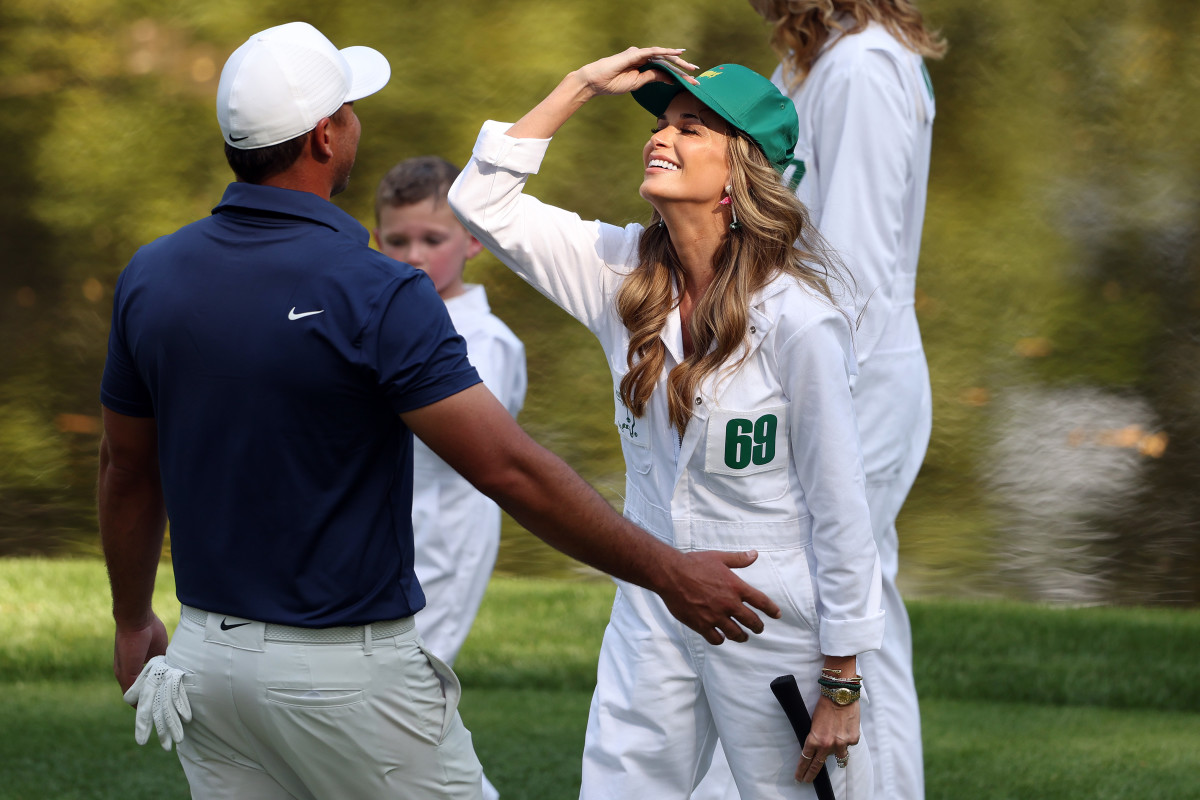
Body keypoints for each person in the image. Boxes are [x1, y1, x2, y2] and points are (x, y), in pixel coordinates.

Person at [98, 23, 781, 800]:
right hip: (346, 679)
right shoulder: (379, 292)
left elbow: (125, 466)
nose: (357, 123)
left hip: (203, 663)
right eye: (350, 111)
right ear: (326, 136)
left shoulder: (150, 277)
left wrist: (129, 619)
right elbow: (509, 470)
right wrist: (668, 573)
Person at [449, 47, 884, 800]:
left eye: (692, 130)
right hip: (652, 603)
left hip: (768, 614)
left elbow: (841, 506)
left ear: (739, 176)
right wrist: (581, 83)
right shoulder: (617, 271)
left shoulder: (801, 323)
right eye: (662, 124)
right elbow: (481, 204)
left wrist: (842, 681)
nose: (661, 138)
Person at [718, 4, 946, 800]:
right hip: (834, 364)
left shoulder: (861, 68)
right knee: (864, 612)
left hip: (858, 374)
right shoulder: (819, 61)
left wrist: (796, 379)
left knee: (830, 609)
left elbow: (851, 256)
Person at [374, 155, 527, 800]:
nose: (414, 257)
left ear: (471, 241)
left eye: (432, 241)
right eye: (397, 241)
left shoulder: (482, 339)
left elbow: (468, 441)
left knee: (403, 698)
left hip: (445, 539)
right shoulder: (383, 320)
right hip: (387, 538)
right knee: (378, 702)